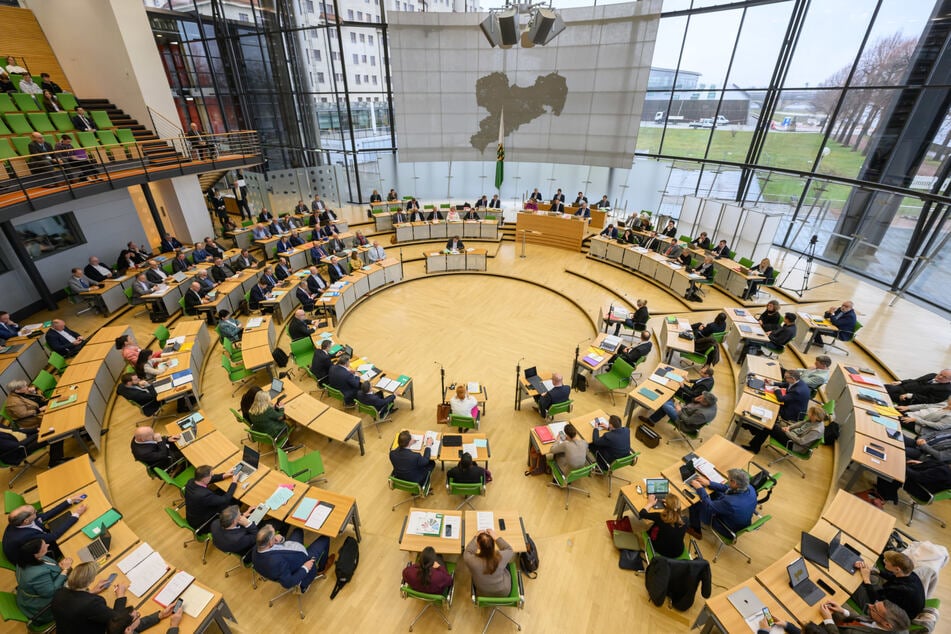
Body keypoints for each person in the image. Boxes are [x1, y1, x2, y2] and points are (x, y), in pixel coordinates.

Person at [51, 562, 130, 634]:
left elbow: (75, 602)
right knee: (132, 622)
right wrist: (120, 595)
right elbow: (117, 620)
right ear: (91, 580)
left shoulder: (60, 592)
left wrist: (90, 592)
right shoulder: (92, 603)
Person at [3, 497, 87, 563]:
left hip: (38, 538)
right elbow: (54, 536)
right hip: (34, 558)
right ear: (26, 521)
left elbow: (46, 515)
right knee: (73, 540)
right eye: (34, 512)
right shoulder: (25, 536)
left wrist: (70, 501)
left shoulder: (21, 521)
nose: (36, 511)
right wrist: (76, 515)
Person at [253, 524, 332, 592]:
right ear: (270, 543)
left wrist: (281, 540)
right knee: (325, 539)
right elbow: (288, 583)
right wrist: (305, 568)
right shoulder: (276, 562)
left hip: (292, 551)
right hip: (304, 562)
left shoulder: (258, 547)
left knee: (298, 530)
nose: (276, 536)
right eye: (274, 536)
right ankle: (321, 569)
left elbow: (281, 548)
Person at [851, 551, 925, 622]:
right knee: (868, 578)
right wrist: (875, 570)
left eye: (886, 561)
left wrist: (866, 579)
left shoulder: (901, 590)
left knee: (853, 585)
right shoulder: (910, 574)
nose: (883, 561)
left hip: (887, 615)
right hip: (893, 601)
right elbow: (894, 577)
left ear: (897, 569)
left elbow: (876, 601)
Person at [686, 468, 757, 540]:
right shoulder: (750, 488)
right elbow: (727, 488)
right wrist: (709, 483)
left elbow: (709, 506)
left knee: (694, 504)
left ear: (734, 483)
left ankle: (695, 530)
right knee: (716, 492)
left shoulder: (731, 503)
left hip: (727, 529)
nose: (728, 481)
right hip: (740, 521)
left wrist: (700, 488)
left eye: (729, 479)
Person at [14, 538, 70, 623]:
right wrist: (65, 570)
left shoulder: (25, 559)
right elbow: (50, 592)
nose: (47, 545)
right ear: (35, 554)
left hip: (31, 593)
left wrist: (59, 566)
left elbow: (48, 565)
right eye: (44, 546)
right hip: (43, 606)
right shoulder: (37, 574)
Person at [744, 403, 827, 454]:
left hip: (794, 444)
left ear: (815, 417)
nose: (808, 415)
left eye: (810, 414)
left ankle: (754, 442)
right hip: (792, 434)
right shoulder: (814, 420)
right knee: (771, 426)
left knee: (770, 427)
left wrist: (787, 432)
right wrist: (789, 427)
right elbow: (800, 423)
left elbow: (801, 441)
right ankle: (754, 441)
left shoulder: (816, 431)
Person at [184, 465, 239, 533]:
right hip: (203, 524)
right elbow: (225, 500)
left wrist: (224, 475)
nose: (212, 476)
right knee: (234, 500)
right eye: (210, 475)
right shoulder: (204, 495)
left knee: (220, 491)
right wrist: (234, 482)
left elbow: (210, 479)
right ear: (204, 479)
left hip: (193, 515)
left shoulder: (191, 482)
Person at [465, 530, 514, 597]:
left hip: (483, 594)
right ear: (493, 544)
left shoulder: (471, 560)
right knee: (507, 565)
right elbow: (509, 549)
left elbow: (467, 552)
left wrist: (476, 537)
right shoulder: (501, 557)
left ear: (478, 546)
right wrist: (496, 537)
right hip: (503, 592)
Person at [641, 392, 718, 435]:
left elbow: (687, 421)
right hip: (685, 411)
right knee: (667, 402)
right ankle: (651, 420)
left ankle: (651, 420)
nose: (699, 396)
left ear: (705, 403)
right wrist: (696, 399)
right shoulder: (711, 403)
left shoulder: (702, 414)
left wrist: (679, 411)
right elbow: (694, 403)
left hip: (683, 423)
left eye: (701, 398)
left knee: (665, 405)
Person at [818, 599, 910, 633]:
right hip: (844, 624)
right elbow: (861, 619)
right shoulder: (880, 621)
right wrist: (843, 610)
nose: (869, 605)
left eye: (874, 609)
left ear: (887, 625)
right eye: (875, 603)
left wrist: (828, 620)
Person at [886, 369, 951, 406]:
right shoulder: (932, 375)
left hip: (909, 398)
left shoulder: (946, 389)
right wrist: (901, 382)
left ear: (949, 380)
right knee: (886, 387)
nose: (940, 377)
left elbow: (929, 400)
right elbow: (915, 380)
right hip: (903, 387)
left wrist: (910, 395)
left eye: (944, 377)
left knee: (887, 392)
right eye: (940, 374)